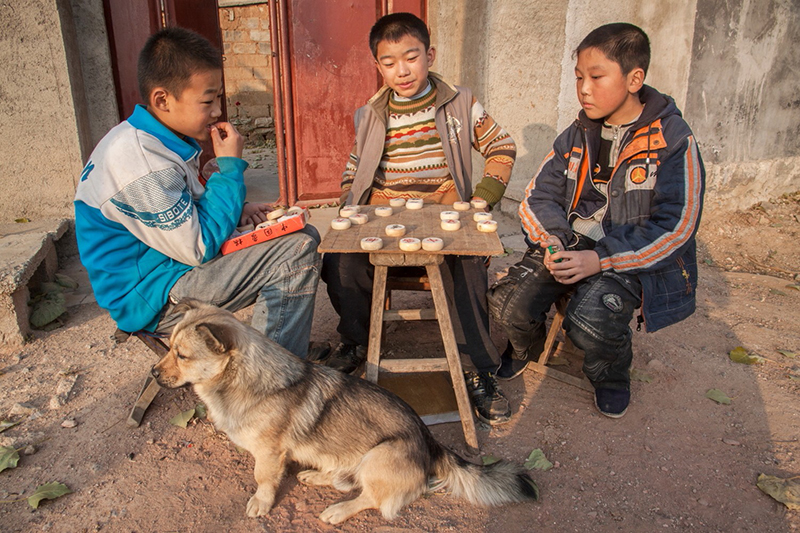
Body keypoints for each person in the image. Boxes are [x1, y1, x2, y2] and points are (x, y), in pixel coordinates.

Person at [487, 22, 704, 418]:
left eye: (597, 77)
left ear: (634, 78)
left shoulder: (674, 139)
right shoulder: (577, 132)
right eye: (578, 78)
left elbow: (678, 226)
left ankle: (610, 374)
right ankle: (525, 348)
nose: (584, 89)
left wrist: (602, 260)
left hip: (626, 252)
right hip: (571, 242)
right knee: (506, 304)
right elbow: (539, 195)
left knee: (589, 321)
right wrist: (552, 241)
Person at [74, 27, 322, 358]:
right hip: (156, 296)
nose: (218, 110)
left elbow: (186, 209)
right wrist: (230, 169)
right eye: (208, 100)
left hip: (169, 268)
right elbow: (198, 247)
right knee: (296, 251)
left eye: (218, 97)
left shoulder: (156, 140)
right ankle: (269, 380)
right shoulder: (141, 162)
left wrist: (240, 208)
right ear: (162, 100)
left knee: (302, 232)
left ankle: (279, 358)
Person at [320, 13, 517, 425]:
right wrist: (350, 203)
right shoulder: (370, 113)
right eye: (389, 62)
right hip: (385, 207)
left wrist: (481, 200)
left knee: (466, 264)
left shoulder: (461, 102)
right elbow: (354, 166)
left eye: (411, 57)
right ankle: (355, 340)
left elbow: (501, 146)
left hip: (445, 207)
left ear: (429, 55)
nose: (401, 70)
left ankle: (476, 367)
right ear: (378, 66)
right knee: (342, 261)